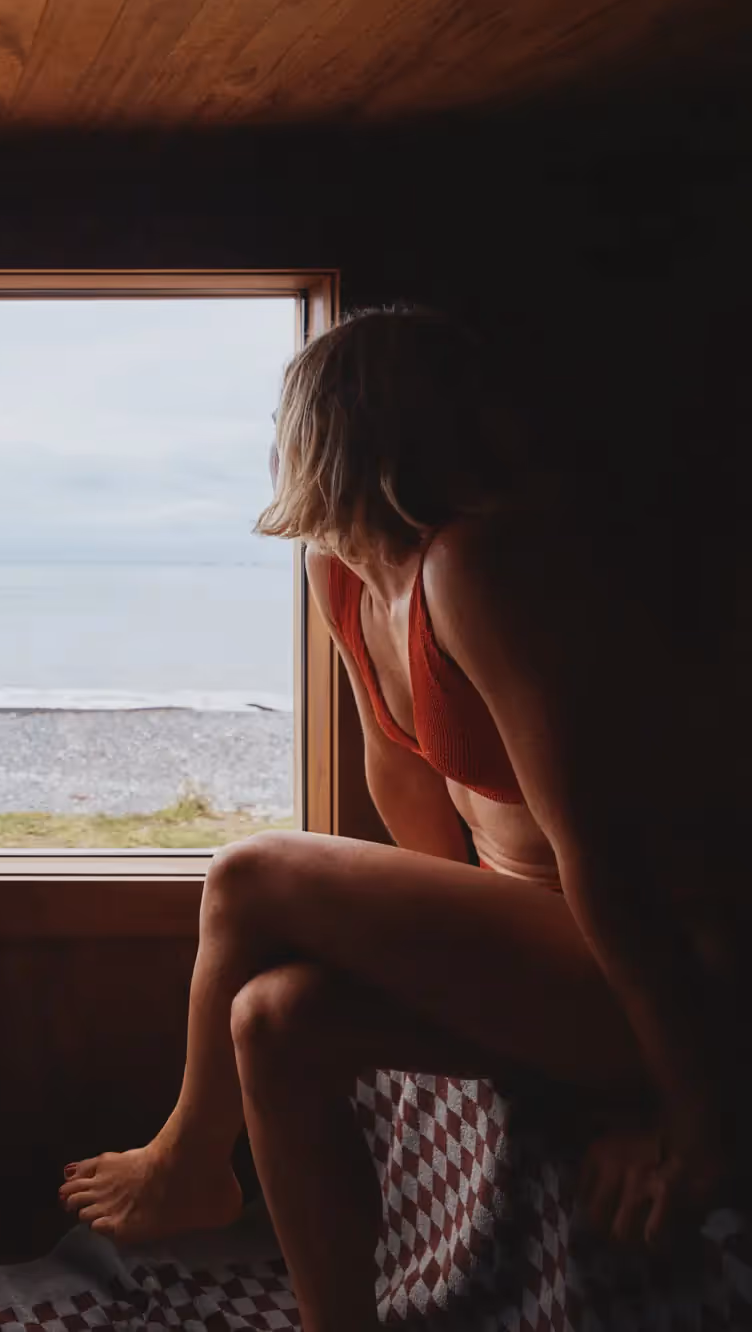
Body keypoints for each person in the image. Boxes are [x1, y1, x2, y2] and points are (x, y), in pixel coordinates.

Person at [58, 306, 746, 1329]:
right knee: (271, 1019)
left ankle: (190, 1157)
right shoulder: (341, 570)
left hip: (670, 958)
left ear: (327, 430)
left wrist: (686, 1102)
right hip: (545, 947)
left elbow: (600, 856)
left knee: (248, 874)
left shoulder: (475, 566)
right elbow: (407, 790)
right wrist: (429, 958)